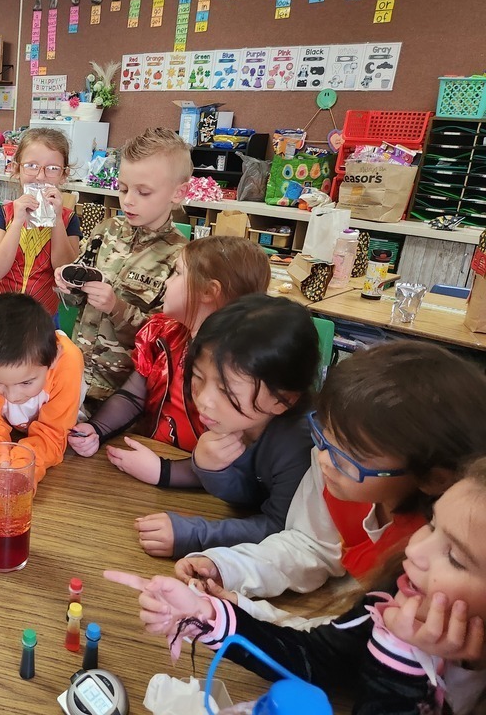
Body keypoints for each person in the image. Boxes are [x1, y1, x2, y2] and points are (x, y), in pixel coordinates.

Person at [105, 456, 486, 715]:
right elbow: (317, 658)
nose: (415, 549)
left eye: (455, 557)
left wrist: (404, 661)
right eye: (432, 525)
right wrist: (207, 614)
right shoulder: (395, 596)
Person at [174, 342, 486, 606]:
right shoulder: (338, 474)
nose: (324, 458)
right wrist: (225, 567)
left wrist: (238, 614)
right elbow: (307, 545)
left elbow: (341, 640)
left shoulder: (435, 555)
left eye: (353, 455)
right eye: (325, 435)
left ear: (434, 478)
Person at [127, 295, 319, 559]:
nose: (203, 400)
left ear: (282, 399)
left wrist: (195, 535)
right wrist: (210, 468)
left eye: (226, 390)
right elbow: (250, 495)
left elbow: (282, 530)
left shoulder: (302, 446)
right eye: (197, 377)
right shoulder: (242, 416)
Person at [69, 236, 270, 459]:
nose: (166, 281)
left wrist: (161, 472)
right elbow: (133, 397)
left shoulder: (240, 366)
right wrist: (97, 429)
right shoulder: (166, 335)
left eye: (177, 273)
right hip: (152, 456)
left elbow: (232, 461)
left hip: (199, 476)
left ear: (208, 292)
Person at [54, 128, 191, 404]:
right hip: (74, 377)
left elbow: (166, 340)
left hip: (124, 395)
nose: (128, 200)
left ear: (178, 193)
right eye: (123, 188)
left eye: (144, 192)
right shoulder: (106, 232)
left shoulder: (182, 258)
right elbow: (73, 299)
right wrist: (66, 284)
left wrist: (117, 308)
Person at [0, 293, 84, 485]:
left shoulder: (68, 362)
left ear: (53, 359)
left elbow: (52, 434)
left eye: (26, 383)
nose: (12, 396)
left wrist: (22, 470)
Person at [0, 128, 81, 316]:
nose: (40, 176)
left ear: (64, 174)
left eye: (52, 169)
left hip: (44, 319)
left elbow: (64, 270)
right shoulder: (2, 215)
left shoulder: (68, 219)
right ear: (16, 168)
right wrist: (18, 220)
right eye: (31, 166)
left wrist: (57, 219)